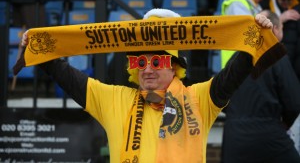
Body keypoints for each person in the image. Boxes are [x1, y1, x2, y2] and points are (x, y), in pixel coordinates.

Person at [21, 8, 275, 162]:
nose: (149, 67)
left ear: (175, 65)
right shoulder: (115, 99)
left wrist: (257, 36)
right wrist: (37, 47)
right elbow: (66, 76)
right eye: (141, 60)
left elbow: (234, 73)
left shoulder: (199, 98)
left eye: (159, 59)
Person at [221, 10, 300, 163]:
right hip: (268, 133)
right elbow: (294, 103)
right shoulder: (277, 55)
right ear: (275, 29)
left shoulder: (236, 57)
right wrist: (281, 124)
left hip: (234, 136)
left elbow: (220, 93)